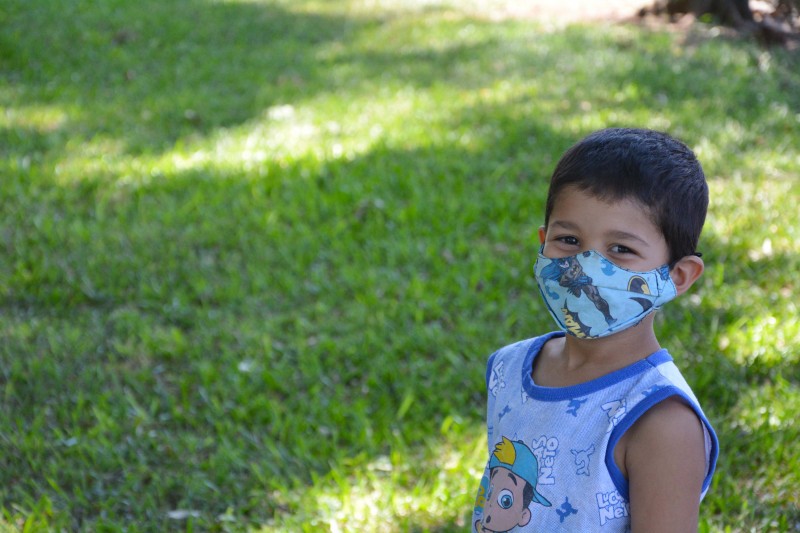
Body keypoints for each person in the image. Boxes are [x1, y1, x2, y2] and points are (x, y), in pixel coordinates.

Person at [471, 128, 719, 532]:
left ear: (677, 275)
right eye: (568, 240)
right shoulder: (509, 368)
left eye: (620, 249)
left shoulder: (662, 422)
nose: (584, 267)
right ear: (543, 241)